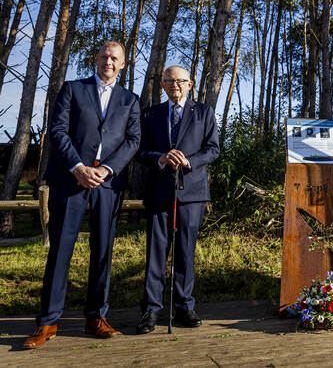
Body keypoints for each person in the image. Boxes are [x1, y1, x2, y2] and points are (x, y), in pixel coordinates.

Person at [23, 41, 140, 349]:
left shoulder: (130, 100)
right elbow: (58, 130)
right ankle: (47, 322)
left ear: (124, 64)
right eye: (104, 56)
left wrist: (108, 170)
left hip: (108, 185)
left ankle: (96, 317)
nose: (109, 62)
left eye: (115, 58)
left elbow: (132, 140)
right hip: (70, 180)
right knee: (60, 249)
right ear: (95, 58)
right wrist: (77, 167)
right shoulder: (73, 89)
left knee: (103, 252)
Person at [135, 66, 219, 334]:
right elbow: (139, 150)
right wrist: (158, 158)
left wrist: (189, 162)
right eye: (169, 81)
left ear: (190, 84)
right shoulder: (150, 114)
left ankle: (184, 305)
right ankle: (151, 308)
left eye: (180, 81)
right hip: (159, 191)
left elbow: (213, 149)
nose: (175, 85)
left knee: (185, 250)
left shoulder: (204, 113)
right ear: (162, 85)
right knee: (156, 252)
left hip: (192, 192)